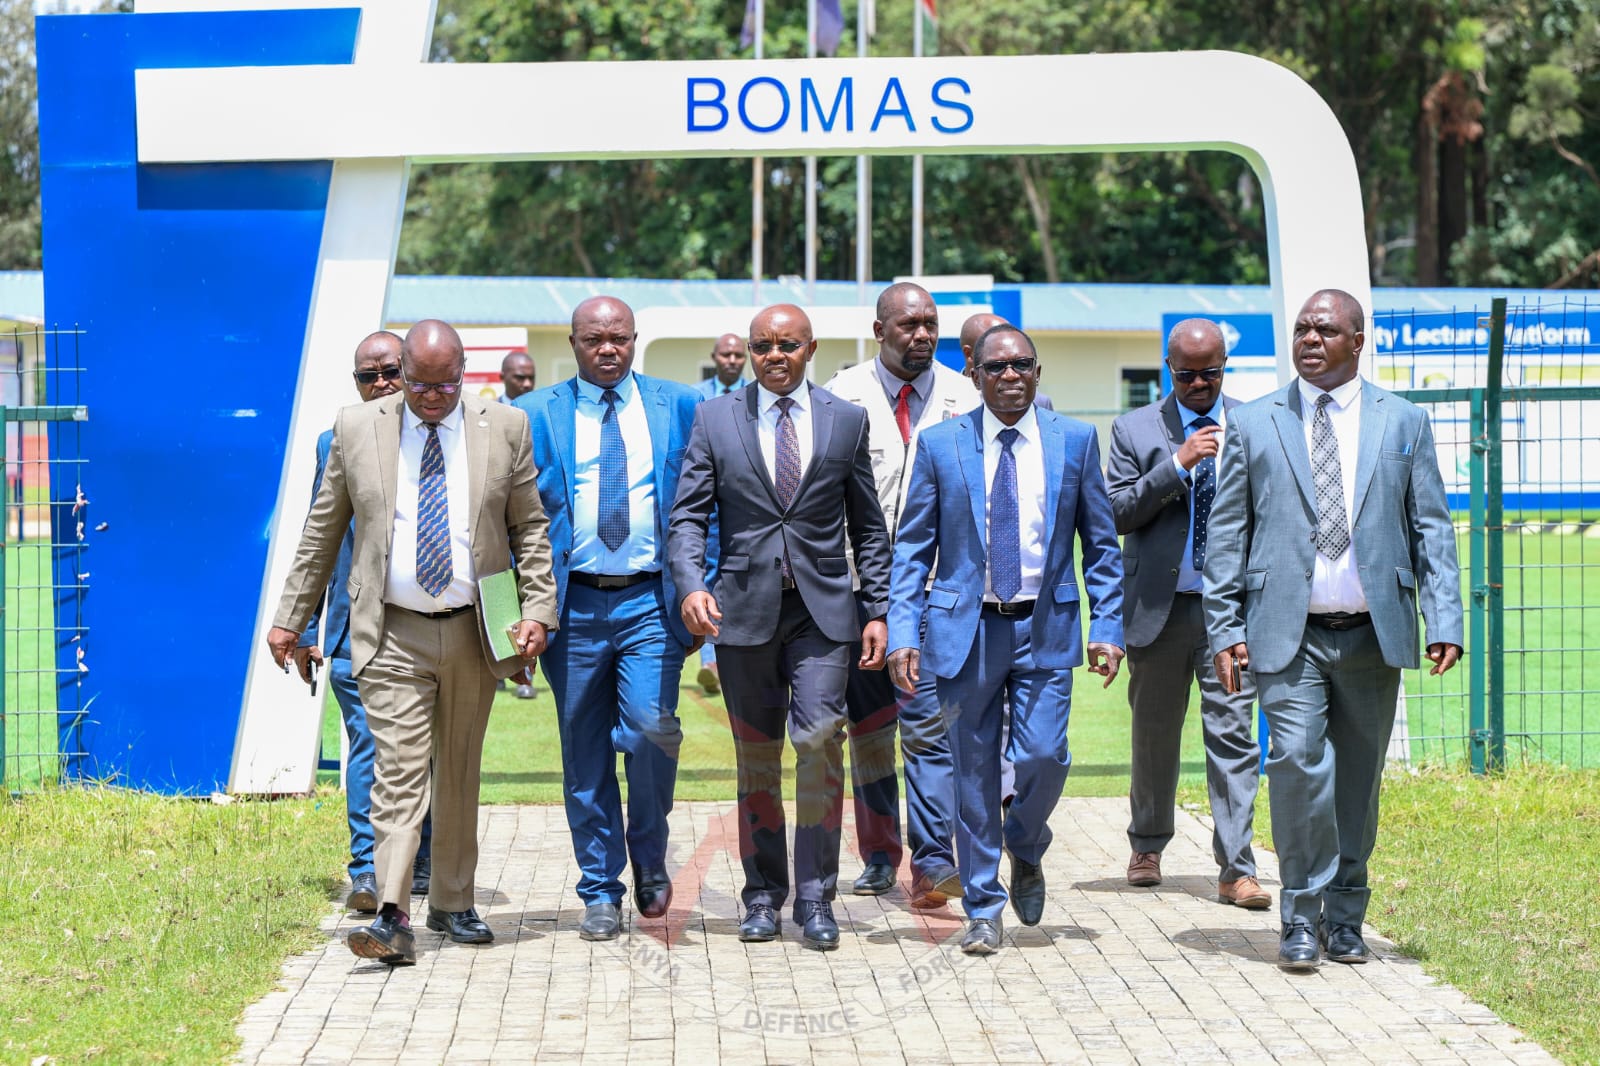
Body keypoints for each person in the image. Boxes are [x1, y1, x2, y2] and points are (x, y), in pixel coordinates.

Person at [267, 319, 558, 967]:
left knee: (457, 769)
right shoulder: (357, 428)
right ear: (402, 372)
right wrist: (292, 616)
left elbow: (529, 529)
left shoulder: (504, 427)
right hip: (390, 629)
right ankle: (394, 914)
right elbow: (322, 532)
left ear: (463, 373)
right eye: (419, 384)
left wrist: (536, 609)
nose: (431, 397)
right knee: (398, 772)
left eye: (445, 385)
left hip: (474, 626)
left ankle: (452, 902)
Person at [1205, 289, 1462, 972]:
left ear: (1357, 340)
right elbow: (1226, 535)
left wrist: (1444, 618)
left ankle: (1345, 917)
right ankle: (1300, 915)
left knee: (1357, 783)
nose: (1310, 339)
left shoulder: (1403, 421)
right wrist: (1224, 627)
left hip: (1374, 635)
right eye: (1301, 329)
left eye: (1325, 329)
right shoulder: (1255, 422)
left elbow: (1431, 527)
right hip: (1287, 635)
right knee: (1296, 765)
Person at [888, 324, 1124, 956]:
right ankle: (983, 908)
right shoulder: (941, 445)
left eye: (1022, 364)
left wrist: (1108, 626)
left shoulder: (1076, 441)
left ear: (1038, 372)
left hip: (1045, 626)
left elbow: (1102, 546)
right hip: (965, 632)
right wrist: (904, 630)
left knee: (1045, 754)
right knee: (972, 773)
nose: (1011, 376)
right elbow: (912, 549)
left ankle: (1025, 841)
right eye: (997, 367)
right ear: (975, 376)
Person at [668, 304, 892, 952]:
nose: (774, 355)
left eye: (787, 345)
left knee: (820, 739)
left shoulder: (845, 420)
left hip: (824, 614)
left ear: (810, 349)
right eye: (762, 345)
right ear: (748, 350)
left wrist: (878, 609)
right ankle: (763, 895)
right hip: (743, 613)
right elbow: (687, 516)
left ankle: (816, 897)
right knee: (758, 756)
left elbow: (868, 525)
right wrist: (691, 585)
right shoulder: (715, 418)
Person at [515, 296, 698, 942]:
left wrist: (701, 587)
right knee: (584, 750)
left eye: (619, 337)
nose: (608, 349)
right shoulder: (534, 414)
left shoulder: (680, 405)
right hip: (571, 607)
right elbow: (507, 521)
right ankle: (599, 888)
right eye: (594, 339)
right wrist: (520, 613)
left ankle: (649, 853)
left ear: (635, 338)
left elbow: (705, 503)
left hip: (652, 600)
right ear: (573, 343)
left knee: (650, 728)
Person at [823, 282, 978, 906]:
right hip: (857, 591)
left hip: (936, 591)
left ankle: (935, 859)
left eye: (930, 324)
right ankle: (880, 853)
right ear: (879, 330)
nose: (922, 335)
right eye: (909, 325)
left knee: (929, 727)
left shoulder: (966, 397)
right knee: (868, 729)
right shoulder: (841, 395)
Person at [1106, 319, 1266, 908]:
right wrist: (1176, 465)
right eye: (1187, 375)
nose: (1199, 384)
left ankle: (1237, 868)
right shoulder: (1133, 429)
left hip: (1231, 614)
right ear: (1168, 368)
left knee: (1233, 735)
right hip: (1159, 611)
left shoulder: (1254, 423)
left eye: (1210, 373)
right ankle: (1147, 845)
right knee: (1154, 736)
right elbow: (1116, 512)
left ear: (1225, 367)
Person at [293, 331, 434, 914]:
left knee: (429, 750)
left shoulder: (448, 436)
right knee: (371, 747)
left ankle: (423, 862)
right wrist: (304, 629)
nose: (380, 384)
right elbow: (319, 540)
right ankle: (367, 871)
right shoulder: (336, 441)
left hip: (438, 624)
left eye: (390, 371)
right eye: (367, 376)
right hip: (360, 630)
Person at [690, 332, 749, 695]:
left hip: (742, 505)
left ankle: (732, 654)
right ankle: (709, 657)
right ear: (714, 357)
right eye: (725, 354)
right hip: (706, 505)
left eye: (738, 355)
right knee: (706, 575)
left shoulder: (756, 396)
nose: (731, 360)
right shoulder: (696, 397)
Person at [498, 351, 543, 700]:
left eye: (530, 377)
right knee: (498, 597)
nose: (526, 384)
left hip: (526, 522)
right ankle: (498, 664)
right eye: (519, 378)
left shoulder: (536, 417)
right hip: (494, 529)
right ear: (503, 378)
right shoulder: (489, 417)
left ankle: (525, 673)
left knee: (526, 597)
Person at [960, 312, 1053, 411]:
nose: (1010, 375)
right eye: (996, 365)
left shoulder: (1039, 402)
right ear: (969, 354)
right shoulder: (950, 393)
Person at [695, 331, 750, 400]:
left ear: (745, 359)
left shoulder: (756, 393)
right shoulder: (697, 393)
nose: (732, 361)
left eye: (738, 355)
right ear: (713, 357)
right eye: (726, 355)